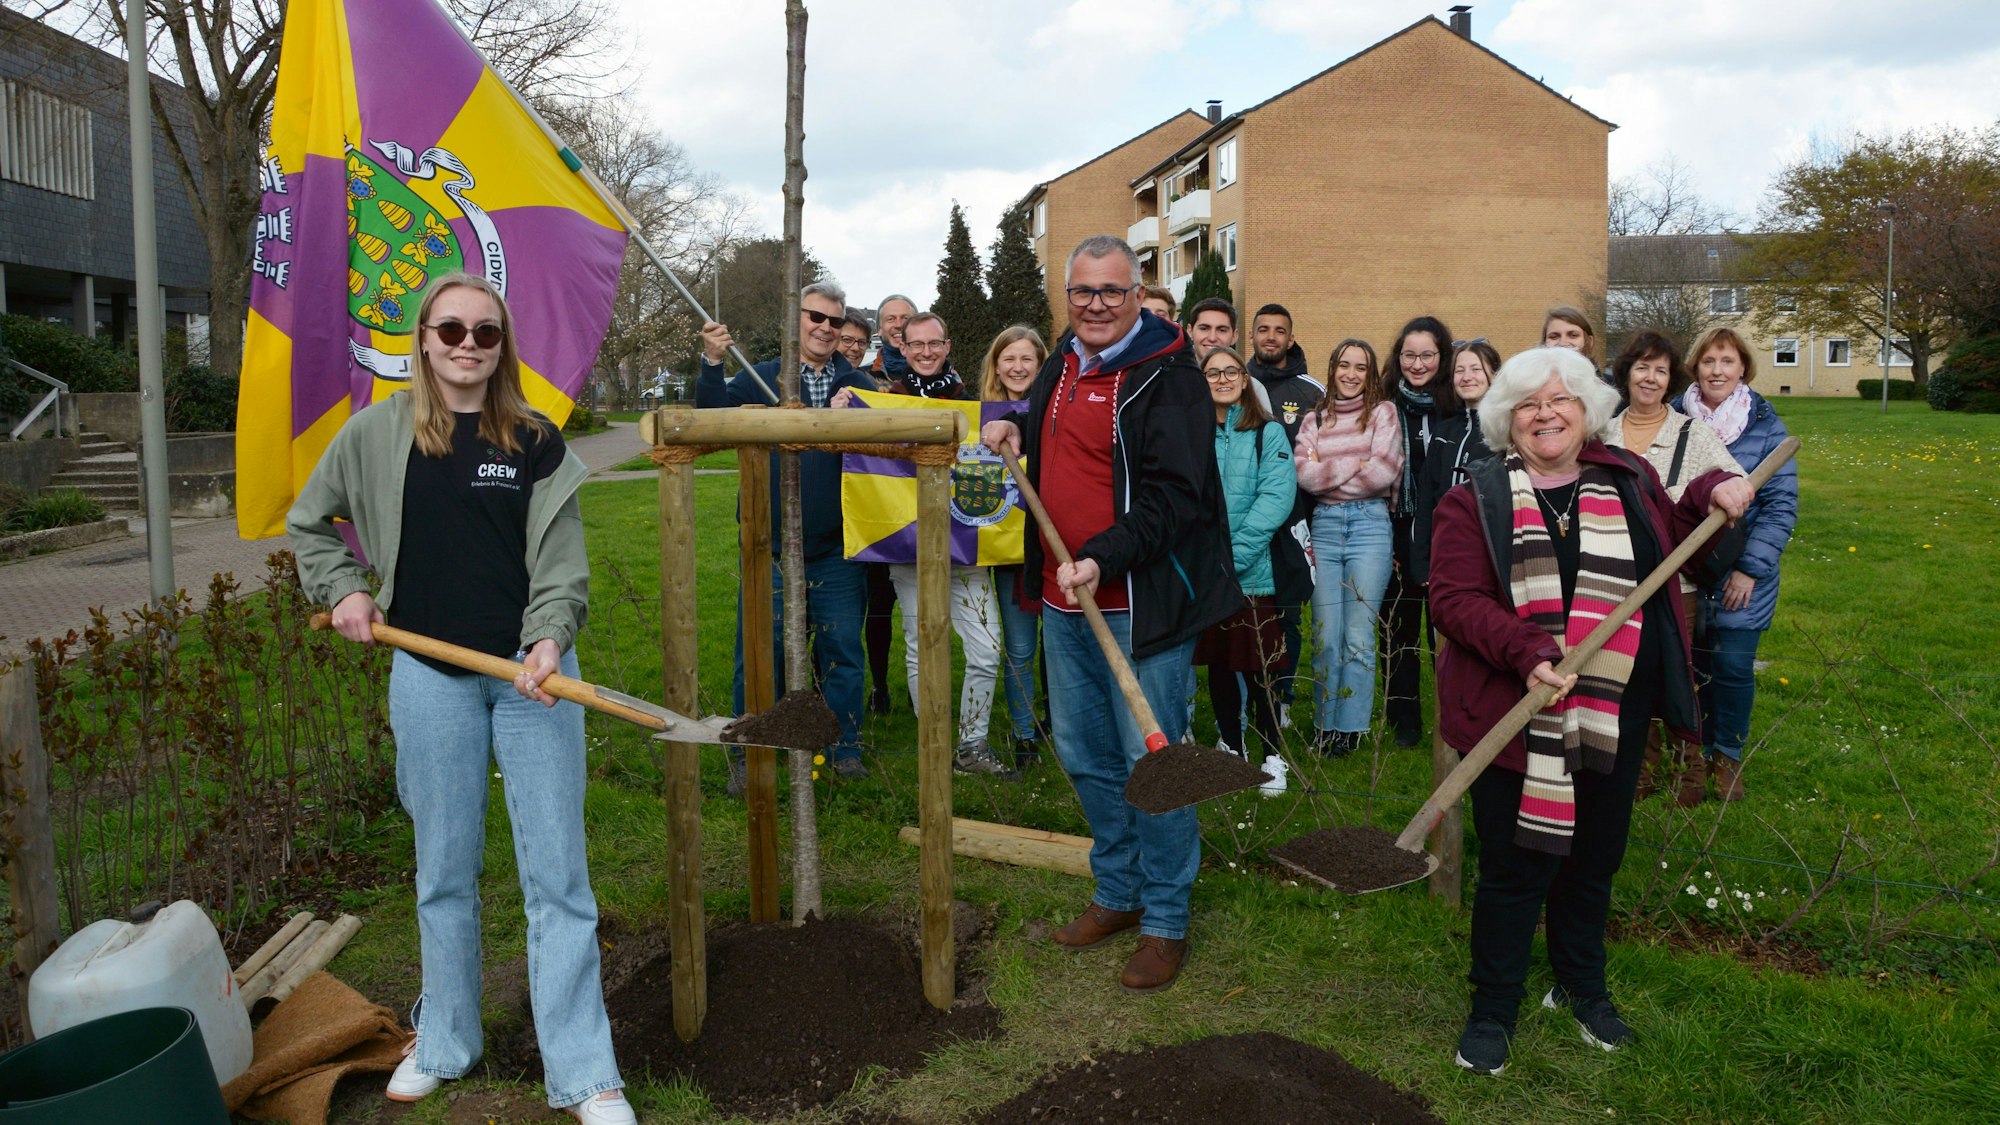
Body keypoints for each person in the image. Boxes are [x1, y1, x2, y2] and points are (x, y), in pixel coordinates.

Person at [287, 273, 635, 1125]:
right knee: (443, 870)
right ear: (425, 338)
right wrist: (347, 591)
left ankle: (586, 1072)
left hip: (531, 678)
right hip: (428, 676)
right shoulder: (373, 435)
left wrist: (549, 635)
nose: (468, 345)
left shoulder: (534, 440)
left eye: (485, 332)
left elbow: (561, 565)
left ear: (502, 343)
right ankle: (444, 1038)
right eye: (452, 330)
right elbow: (309, 522)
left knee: (558, 877)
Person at [1429, 346, 1751, 1077]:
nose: (1545, 413)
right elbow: (1452, 598)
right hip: (1516, 712)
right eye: (1528, 404)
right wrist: (1523, 649)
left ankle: (1580, 985)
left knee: (1594, 859)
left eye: (1561, 399)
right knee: (1515, 866)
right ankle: (1494, 1005)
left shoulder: (1628, 478)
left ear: (1587, 410)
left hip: (1615, 708)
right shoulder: (1473, 497)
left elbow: (1685, 545)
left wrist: (1712, 493)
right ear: (1506, 420)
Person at [979, 235, 1238, 993]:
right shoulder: (1063, 362)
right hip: (1064, 600)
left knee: (1153, 767)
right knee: (1089, 756)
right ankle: (1119, 890)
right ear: (1068, 297)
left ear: (1137, 294)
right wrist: (1012, 427)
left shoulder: (1170, 378)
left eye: (1111, 292)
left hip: (1137, 607)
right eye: (1082, 292)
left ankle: (1165, 918)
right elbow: (1060, 441)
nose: (1095, 305)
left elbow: (1175, 496)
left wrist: (1106, 557)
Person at [699, 282, 876, 779]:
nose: (824, 328)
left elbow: (888, 453)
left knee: (841, 648)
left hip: (836, 548)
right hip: (768, 544)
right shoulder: (763, 378)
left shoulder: (858, 384)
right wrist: (713, 363)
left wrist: (858, 414)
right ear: (794, 322)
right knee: (759, 650)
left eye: (834, 322)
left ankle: (843, 749)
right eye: (814, 317)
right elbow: (711, 420)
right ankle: (750, 753)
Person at [834, 312, 1014, 778]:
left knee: (988, 646)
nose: (927, 352)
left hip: (968, 552)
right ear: (903, 347)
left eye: (935, 344)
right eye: (917, 345)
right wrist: (844, 407)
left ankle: (971, 742)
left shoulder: (973, 404)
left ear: (947, 345)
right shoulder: (886, 401)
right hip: (909, 551)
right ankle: (934, 739)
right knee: (921, 644)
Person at [1609, 330, 1745, 805]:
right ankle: (1641, 776)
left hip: (1676, 583)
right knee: (1627, 675)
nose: (1650, 377)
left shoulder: (1692, 433)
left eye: (1661, 370)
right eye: (1642, 366)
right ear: (1626, 372)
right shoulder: (1601, 433)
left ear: (1670, 380)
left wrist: (1716, 490)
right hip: (1613, 581)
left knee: (1678, 677)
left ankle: (1688, 779)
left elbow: (1736, 483)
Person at [1680, 326, 1797, 802]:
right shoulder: (1673, 418)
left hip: (1742, 574)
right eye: (1708, 361)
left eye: (1727, 361)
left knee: (1731, 665)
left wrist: (1750, 568)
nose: (1717, 371)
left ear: (1743, 367)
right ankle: (1692, 755)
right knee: (1691, 667)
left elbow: (1779, 505)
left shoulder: (1766, 426)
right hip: (1689, 570)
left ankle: (1726, 757)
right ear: (1695, 368)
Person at [1293, 339, 1402, 757]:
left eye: (1360, 367)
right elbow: (1304, 474)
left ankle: (1350, 728)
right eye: (1343, 365)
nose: (1351, 374)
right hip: (1324, 527)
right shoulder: (1313, 419)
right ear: (1333, 369)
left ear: (1370, 373)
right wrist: (1354, 465)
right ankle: (1325, 721)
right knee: (1327, 635)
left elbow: (1382, 473)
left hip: (1370, 526)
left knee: (1358, 633)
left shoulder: (1383, 414)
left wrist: (1330, 469)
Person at [1195, 345, 1296, 760]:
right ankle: (1232, 747)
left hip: (1254, 573)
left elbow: (1275, 499)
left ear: (1243, 379)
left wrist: (1231, 561)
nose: (1222, 379)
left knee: (1262, 667)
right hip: (1207, 574)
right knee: (1220, 663)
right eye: (1212, 373)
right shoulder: (1192, 433)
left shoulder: (1267, 432)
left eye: (1230, 371)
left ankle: (1273, 755)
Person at [1381, 315, 1459, 747]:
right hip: (1397, 531)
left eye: (1427, 354)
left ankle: (1453, 717)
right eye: (1409, 354)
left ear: (1442, 357)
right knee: (1398, 631)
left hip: (1448, 535)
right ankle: (1404, 722)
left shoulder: (1456, 405)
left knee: (1447, 630)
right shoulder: (1386, 405)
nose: (1417, 363)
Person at [1244, 302, 1323, 720]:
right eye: (1263, 330)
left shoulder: (1311, 391)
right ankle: (1244, 698)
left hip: (1295, 521)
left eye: (1279, 331)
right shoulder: (1236, 383)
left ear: (1291, 338)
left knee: (1287, 614)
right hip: (1245, 518)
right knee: (1244, 613)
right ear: (1252, 336)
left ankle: (1284, 697)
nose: (1270, 337)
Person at [981, 323, 1052, 769]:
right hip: (1010, 553)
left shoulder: (1057, 408)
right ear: (996, 365)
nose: (1018, 366)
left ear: (1042, 365)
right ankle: (1025, 734)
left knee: (1065, 647)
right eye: (1009, 358)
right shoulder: (978, 414)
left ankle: (1064, 725)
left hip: (1061, 544)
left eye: (1027, 358)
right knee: (1022, 649)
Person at [1411, 340, 1500, 589]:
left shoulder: (1506, 432)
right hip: (1444, 557)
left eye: (1476, 369)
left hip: (1489, 559)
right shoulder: (1444, 431)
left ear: (1494, 374)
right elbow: (1427, 497)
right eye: (1459, 370)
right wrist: (1421, 562)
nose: (1467, 377)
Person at [869, 293, 918, 386]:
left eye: (905, 318)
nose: (898, 325)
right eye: (890, 319)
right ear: (879, 329)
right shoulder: (863, 378)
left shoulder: (941, 377)